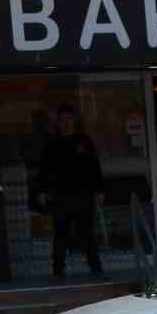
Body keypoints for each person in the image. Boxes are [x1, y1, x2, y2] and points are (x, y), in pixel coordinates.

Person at [39, 104, 105, 278]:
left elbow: (94, 167)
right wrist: (42, 191)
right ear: (58, 122)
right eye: (63, 119)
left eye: (69, 119)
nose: (66, 123)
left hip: (83, 194)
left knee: (87, 233)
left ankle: (96, 268)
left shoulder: (84, 141)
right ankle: (58, 270)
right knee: (61, 233)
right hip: (60, 195)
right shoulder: (52, 143)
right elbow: (44, 169)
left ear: (75, 121)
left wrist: (99, 190)